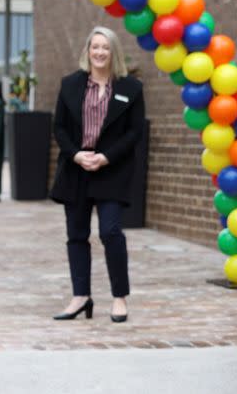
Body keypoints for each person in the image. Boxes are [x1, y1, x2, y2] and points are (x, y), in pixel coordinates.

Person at [51, 26, 144, 324]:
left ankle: (119, 297)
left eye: (105, 47)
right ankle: (81, 297)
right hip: (76, 169)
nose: (100, 52)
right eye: (95, 47)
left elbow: (134, 133)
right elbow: (60, 128)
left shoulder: (131, 88)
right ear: (88, 51)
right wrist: (76, 154)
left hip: (111, 170)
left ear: (113, 52)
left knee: (110, 231)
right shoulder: (70, 85)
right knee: (76, 235)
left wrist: (106, 156)